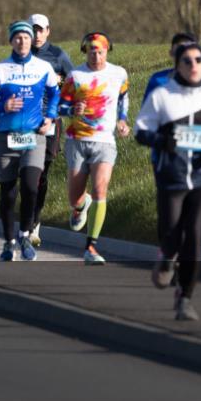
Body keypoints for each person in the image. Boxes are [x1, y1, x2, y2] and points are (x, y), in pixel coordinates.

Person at [135, 43, 201, 321]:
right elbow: (141, 130)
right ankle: (167, 256)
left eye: (198, 60)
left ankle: (185, 298)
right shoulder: (162, 95)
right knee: (170, 232)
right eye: (187, 61)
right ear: (178, 65)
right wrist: (162, 141)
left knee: (194, 235)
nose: (193, 65)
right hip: (172, 176)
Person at [0, 21, 60, 261]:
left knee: (30, 186)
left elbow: (55, 93)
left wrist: (50, 117)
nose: (22, 41)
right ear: (11, 41)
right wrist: (2, 106)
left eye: (26, 37)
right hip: (5, 136)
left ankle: (26, 234)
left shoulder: (43, 67)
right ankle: (8, 242)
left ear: (31, 40)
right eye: (17, 38)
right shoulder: (0, 69)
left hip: (34, 136)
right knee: (8, 193)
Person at [57, 32, 131, 265]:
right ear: (85, 51)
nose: (96, 55)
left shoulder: (118, 73)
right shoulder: (75, 75)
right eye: (91, 51)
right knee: (74, 197)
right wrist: (71, 110)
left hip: (105, 142)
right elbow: (61, 106)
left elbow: (123, 98)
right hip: (77, 141)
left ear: (107, 51)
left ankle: (91, 246)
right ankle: (80, 206)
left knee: (101, 190)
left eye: (100, 51)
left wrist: (123, 120)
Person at [27, 13, 75, 247]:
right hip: (23, 122)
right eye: (32, 29)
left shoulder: (57, 55)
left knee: (41, 173)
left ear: (48, 31)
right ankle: (27, 221)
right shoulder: (20, 54)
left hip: (50, 121)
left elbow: (76, 82)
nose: (36, 35)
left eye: (40, 30)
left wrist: (60, 80)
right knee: (25, 174)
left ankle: (34, 224)